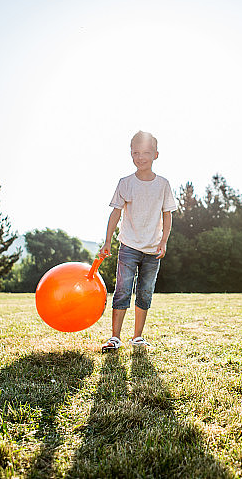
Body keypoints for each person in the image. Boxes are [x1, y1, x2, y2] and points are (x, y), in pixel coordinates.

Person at [98, 131, 176, 352]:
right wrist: (106, 242)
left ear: (156, 155)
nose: (140, 157)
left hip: (153, 250)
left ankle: (137, 337)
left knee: (145, 292)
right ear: (131, 154)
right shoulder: (125, 183)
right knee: (122, 289)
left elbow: (167, 214)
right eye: (136, 153)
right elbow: (115, 213)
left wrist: (164, 241)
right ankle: (115, 337)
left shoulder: (163, 184)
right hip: (128, 246)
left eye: (146, 153)